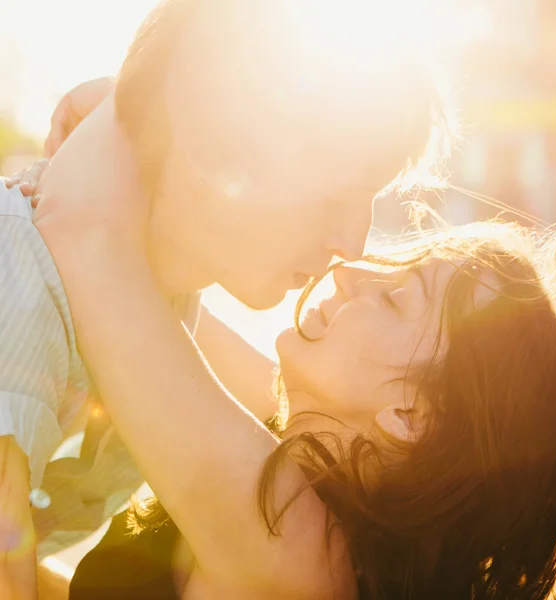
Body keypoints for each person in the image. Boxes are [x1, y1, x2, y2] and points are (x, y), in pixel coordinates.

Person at [0, 0, 444, 595]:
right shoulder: (23, 287)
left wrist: (131, 110)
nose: (352, 247)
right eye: (338, 195)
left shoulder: (155, 305)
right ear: (222, 150)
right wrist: (134, 108)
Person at [34, 184, 556, 598]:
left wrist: (127, 109)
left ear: (409, 415)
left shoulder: (295, 545)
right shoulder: (319, 512)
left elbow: (83, 235)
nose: (353, 273)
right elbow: (157, 301)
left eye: (396, 297)